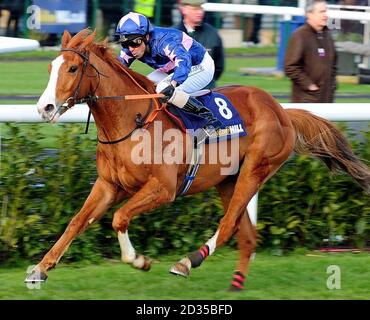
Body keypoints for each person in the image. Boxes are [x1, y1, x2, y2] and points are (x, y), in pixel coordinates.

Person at [115, 11, 223, 136]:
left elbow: (183, 61)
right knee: (145, 86)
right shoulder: (131, 47)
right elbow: (117, 68)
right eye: (125, 44)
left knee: (163, 88)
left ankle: (210, 121)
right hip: (171, 68)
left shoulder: (164, 41)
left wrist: (173, 83)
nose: (131, 49)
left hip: (199, 65)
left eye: (135, 43)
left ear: (147, 37)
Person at [284, 0, 337, 103]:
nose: (325, 15)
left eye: (326, 11)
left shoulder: (327, 35)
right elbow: (290, 67)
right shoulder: (299, 36)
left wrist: (333, 85)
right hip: (307, 100)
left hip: (326, 98)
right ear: (309, 14)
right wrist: (309, 85)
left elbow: (333, 64)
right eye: (321, 12)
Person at [174, 0, 224, 89]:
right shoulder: (173, 35)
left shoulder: (212, 33)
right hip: (178, 91)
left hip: (206, 91)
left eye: (201, 8)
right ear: (183, 9)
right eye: (195, 9)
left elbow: (219, 66)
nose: (200, 12)